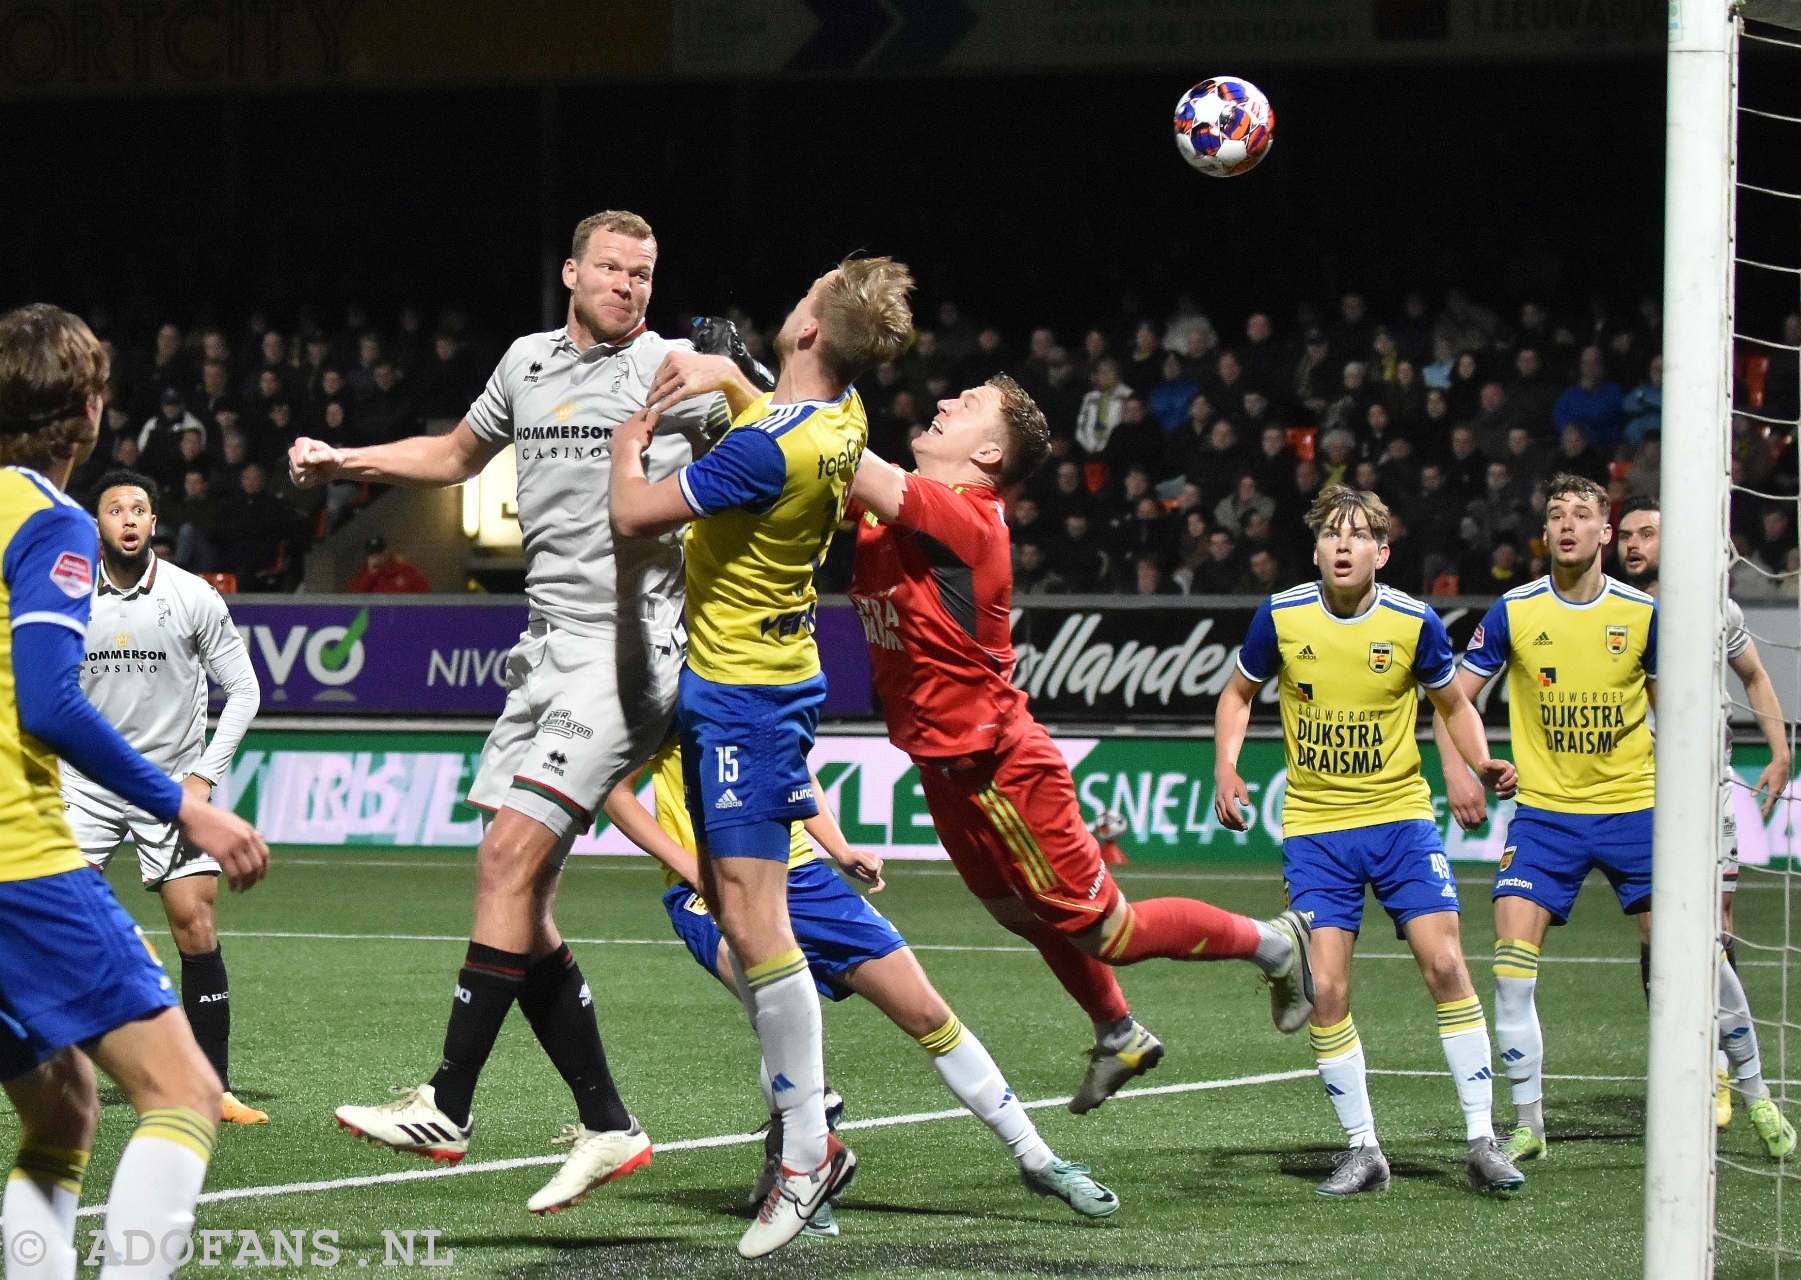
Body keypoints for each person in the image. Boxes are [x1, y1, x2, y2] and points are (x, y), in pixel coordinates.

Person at [308, 211, 724, 1215]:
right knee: (521, 899)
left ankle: (447, 1102)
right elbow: (455, 455)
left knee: (505, 860)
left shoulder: (674, 366)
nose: (629, 285)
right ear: (573, 272)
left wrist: (750, 385)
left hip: (625, 656)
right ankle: (609, 1119)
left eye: (646, 273)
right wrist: (343, 459)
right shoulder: (526, 362)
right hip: (543, 651)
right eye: (614, 268)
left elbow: (775, 443)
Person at [839, 376, 1314, 1115]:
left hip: (1001, 768)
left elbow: (833, 449)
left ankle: (1276, 944)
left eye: (962, 407)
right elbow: (807, 476)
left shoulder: (967, 517)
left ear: (990, 451)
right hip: (942, 770)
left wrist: (750, 381)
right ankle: (1118, 1030)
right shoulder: (889, 514)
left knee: (1109, 931)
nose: (938, 405)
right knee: (1015, 913)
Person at [607, 256, 916, 1257]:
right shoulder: (847, 416)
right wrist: (736, 382)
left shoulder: (766, 455)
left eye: (807, 296)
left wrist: (626, 441)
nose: (792, 302)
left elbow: (633, 516)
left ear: (812, 333)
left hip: (739, 699)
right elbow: (777, 411)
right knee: (752, 918)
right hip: (771, 682)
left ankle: (806, 1146)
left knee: (753, 923)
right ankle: (805, 1129)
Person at [0, 303, 269, 1280]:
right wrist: (187, 802)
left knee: (65, 1106)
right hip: (20, 862)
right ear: (87, 407)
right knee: (185, 1097)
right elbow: (51, 703)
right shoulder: (48, 520)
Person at [603, 742, 1118, 1233]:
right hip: (711, 892)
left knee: (928, 1015)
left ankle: (1038, 1159)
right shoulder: (679, 687)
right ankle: (798, 1182)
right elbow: (615, 791)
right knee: (783, 1016)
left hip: (801, 876)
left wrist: (840, 848)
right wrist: (691, 867)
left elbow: (796, 775)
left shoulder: (777, 685)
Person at [1213, 485, 1525, 1196]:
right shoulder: (1283, 616)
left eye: (1358, 536)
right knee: (1327, 989)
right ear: (1317, 549)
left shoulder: (1414, 622)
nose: (1343, 545)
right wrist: (1226, 767)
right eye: (1331, 534)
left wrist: (1482, 762)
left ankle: (1482, 1139)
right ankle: (1363, 1149)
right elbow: (1238, 694)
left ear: (1382, 552)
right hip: (1318, 831)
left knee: (1446, 967)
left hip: (1401, 822)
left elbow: (1454, 704)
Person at [1433, 474, 1662, 1163]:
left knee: (1682, 960)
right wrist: (1459, 771)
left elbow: (1674, 709)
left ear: (1605, 533)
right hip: (1545, 819)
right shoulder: (1514, 611)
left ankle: (1729, 1082)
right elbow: (1453, 697)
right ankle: (1529, 1121)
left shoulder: (1643, 614)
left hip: (1635, 809)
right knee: (1510, 969)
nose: (1567, 524)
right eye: (1556, 514)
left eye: (1582, 514)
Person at [67, 469, 267, 1126]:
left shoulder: (191, 597)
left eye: (139, 509)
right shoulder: (67, 596)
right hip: (86, 782)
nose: (127, 517)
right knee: (50, 920)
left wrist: (204, 776)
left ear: (155, 525)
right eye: (115, 508)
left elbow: (245, 690)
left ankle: (215, 1088)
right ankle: (49, 1067)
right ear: (98, 524)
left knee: (194, 924)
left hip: (170, 786)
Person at [1614, 498, 1798, 1156]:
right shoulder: (1616, 611)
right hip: (1642, 794)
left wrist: (1779, 750)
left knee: (1717, 932)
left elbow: (1753, 675)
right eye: (1627, 534)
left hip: (1710, 790)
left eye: (1647, 533)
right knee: (1657, 934)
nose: (1633, 544)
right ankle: (1688, 1064)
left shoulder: (1717, 607)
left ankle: (1721, 1072)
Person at [344, 535, 432, 593]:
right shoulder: (365, 575)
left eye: (379, 553)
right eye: (372, 554)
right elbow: (352, 597)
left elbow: (426, 595)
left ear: (386, 552)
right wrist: (371, 574)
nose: (376, 557)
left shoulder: (406, 571)